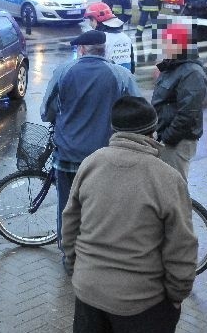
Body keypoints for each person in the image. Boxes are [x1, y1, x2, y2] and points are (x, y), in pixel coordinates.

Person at [62, 96, 197, 333]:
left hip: (89, 291)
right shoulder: (167, 178)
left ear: (114, 129)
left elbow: (70, 224)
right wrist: (176, 295)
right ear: (153, 131)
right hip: (143, 301)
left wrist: (76, 267)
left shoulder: (91, 163)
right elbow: (181, 247)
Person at [40, 30, 140, 255]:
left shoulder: (63, 71)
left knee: (67, 208)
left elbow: (46, 112)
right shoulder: (120, 75)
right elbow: (139, 110)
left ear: (82, 49)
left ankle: (69, 257)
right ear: (104, 50)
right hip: (104, 158)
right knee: (101, 209)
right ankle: (96, 255)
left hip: (68, 155)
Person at [151, 23, 207, 182]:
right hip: (166, 137)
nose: (163, 47)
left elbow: (187, 114)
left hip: (177, 142)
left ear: (179, 45)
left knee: (175, 188)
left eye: (166, 43)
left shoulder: (192, 73)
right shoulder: (172, 65)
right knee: (163, 186)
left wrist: (167, 138)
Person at [84, 2, 135, 73]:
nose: (90, 24)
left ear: (97, 19)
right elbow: (132, 66)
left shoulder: (100, 39)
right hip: (126, 79)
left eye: (91, 20)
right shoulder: (125, 37)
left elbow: (92, 67)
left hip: (108, 79)